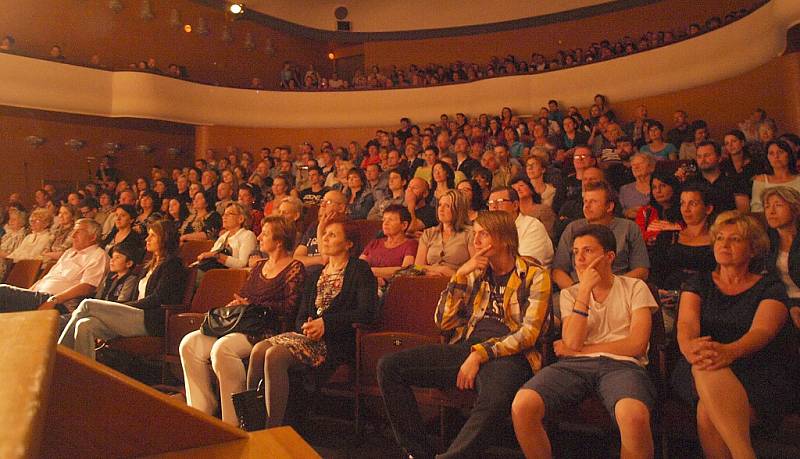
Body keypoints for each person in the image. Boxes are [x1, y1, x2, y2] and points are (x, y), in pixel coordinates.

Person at [379, 211, 551, 458]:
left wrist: (480, 355)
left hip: (511, 356)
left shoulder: (535, 275)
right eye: (474, 234)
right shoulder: (473, 272)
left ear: (504, 239)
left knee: (495, 399)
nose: (476, 241)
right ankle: (419, 453)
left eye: (483, 234)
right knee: (389, 366)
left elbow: (529, 334)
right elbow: (443, 322)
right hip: (467, 348)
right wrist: (459, 275)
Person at [512, 224, 658, 459]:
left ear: (609, 256)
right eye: (576, 252)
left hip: (623, 365)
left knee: (633, 415)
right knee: (522, 404)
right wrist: (584, 291)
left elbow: (636, 345)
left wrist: (581, 350)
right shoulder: (571, 294)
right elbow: (572, 339)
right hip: (574, 367)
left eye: (588, 251)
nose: (579, 259)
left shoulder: (635, 287)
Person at [673, 211, 793, 458]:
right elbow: (686, 324)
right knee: (704, 365)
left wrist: (729, 351)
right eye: (719, 239)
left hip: (755, 368)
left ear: (753, 249)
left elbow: (763, 330)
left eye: (735, 239)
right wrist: (689, 348)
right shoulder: (699, 282)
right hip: (700, 361)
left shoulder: (771, 286)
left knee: (708, 410)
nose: (724, 245)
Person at [245, 220, 377, 428]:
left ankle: (273, 428)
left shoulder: (359, 270)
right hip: (309, 337)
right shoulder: (316, 273)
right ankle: (251, 421)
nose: (325, 238)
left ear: (349, 243)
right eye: (324, 234)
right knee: (259, 350)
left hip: (336, 341)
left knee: (274, 354)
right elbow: (300, 316)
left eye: (332, 235)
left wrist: (326, 323)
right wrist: (306, 326)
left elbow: (367, 312)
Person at [181, 217, 306, 425]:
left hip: (267, 328)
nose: (259, 237)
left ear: (279, 241)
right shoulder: (259, 267)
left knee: (222, 348)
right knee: (190, 343)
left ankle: (235, 419)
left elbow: (290, 308)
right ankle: (202, 410)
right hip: (245, 322)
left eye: (265, 234)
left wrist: (254, 305)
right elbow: (244, 294)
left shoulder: (295, 268)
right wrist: (237, 303)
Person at [59, 220, 186, 360]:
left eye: (153, 236)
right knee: (84, 325)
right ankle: (84, 372)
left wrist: (123, 307)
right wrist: (124, 308)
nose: (147, 239)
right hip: (132, 316)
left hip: (150, 319)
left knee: (87, 304)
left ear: (165, 239)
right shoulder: (148, 266)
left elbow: (157, 298)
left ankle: (60, 357)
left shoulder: (173, 265)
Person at [552, 181, 650, 290]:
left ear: (609, 206)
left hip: (619, 290)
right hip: (578, 289)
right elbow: (558, 272)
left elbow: (642, 270)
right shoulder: (572, 228)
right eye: (585, 201)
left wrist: (610, 287)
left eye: (593, 202)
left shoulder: (629, 228)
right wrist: (578, 291)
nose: (587, 206)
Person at [0, 219, 108, 315]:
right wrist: (27, 294)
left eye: (78, 232)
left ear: (93, 237)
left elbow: (87, 287)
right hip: (39, 297)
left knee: (2, 291)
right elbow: (48, 278)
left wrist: (54, 300)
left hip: (59, 303)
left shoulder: (98, 255)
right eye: (73, 231)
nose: (73, 235)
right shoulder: (69, 253)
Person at [487, 187, 554, 269]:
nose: (494, 207)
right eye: (490, 204)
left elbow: (526, 264)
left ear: (515, 205)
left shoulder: (532, 226)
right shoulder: (490, 231)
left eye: (499, 202)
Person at [763, 187, 800, 328]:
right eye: (767, 207)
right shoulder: (766, 241)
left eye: (778, 205)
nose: (771, 212)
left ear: (795, 208)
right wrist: (790, 306)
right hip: (780, 301)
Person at [415, 190, 474, 277]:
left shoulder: (470, 233)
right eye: (440, 205)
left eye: (447, 206)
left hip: (459, 282)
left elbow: (476, 267)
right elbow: (417, 267)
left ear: (458, 209)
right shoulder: (428, 233)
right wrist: (435, 271)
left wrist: (454, 275)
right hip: (429, 280)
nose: (441, 209)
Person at [359, 204, 418, 284]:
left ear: (404, 225)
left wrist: (370, 272)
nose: (385, 223)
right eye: (384, 220)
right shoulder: (375, 243)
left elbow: (405, 270)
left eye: (391, 220)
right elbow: (358, 267)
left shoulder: (410, 244)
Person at [195, 202, 257, 270]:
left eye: (229, 214)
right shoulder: (223, 237)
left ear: (241, 219)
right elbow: (211, 256)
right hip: (213, 272)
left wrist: (218, 256)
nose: (224, 217)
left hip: (231, 276)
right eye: (224, 214)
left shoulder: (247, 235)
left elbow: (242, 264)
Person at [294, 190, 347, 267]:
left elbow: (327, 259)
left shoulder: (346, 227)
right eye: (322, 202)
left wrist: (320, 229)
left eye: (328, 202)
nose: (322, 205)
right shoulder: (314, 226)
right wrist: (320, 259)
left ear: (341, 208)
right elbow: (297, 257)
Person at [750, 140, 800, 212]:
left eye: (780, 152)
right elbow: (756, 208)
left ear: (788, 155)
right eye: (771, 153)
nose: (776, 156)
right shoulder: (761, 180)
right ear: (767, 158)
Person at [635, 172, 683, 246]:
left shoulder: (684, 209)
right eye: (654, 187)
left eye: (663, 186)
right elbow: (637, 237)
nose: (658, 191)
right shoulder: (646, 211)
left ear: (673, 187)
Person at [510, 176, 557, 240]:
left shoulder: (543, 209)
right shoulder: (513, 214)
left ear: (531, 189)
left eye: (521, 185)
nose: (517, 189)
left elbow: (549, 235)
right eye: (514, 188)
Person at [619, 153, 655, 219]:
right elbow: (621, 212)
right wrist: (627, 213)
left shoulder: (659, 186)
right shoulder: (624, 189)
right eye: (633, 165)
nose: (636, 167)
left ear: (651, 167)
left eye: (640, 164)